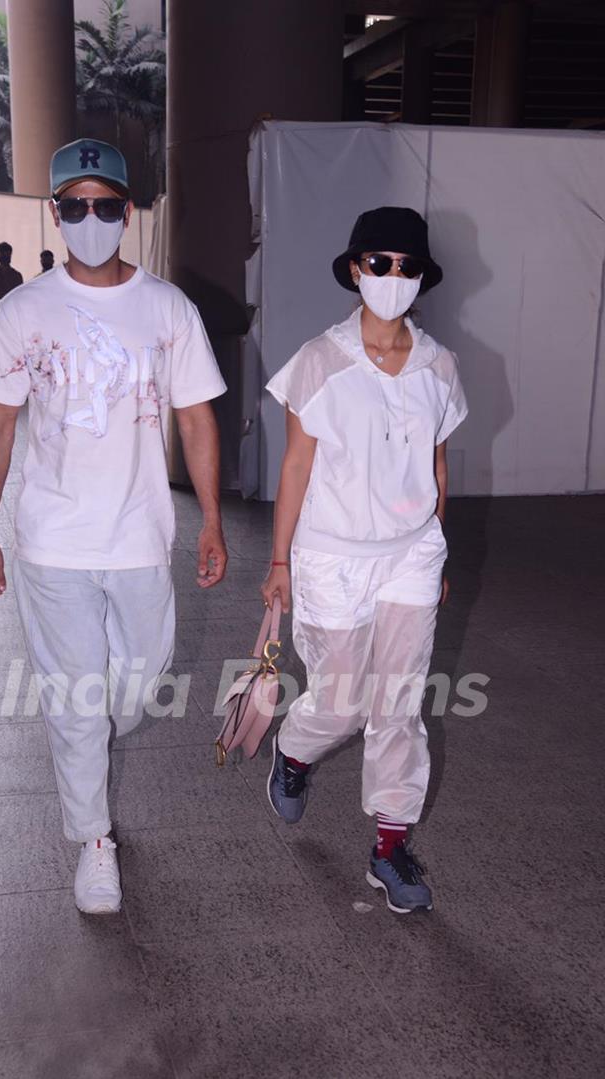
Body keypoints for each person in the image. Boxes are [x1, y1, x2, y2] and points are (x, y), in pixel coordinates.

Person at [0, 138, 228, 915]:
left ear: (128, 210)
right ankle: (94, 842)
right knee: (77, 699)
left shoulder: (168, 308)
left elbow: (198, 419)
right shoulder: (24, 309)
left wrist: (213, 518)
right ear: (55, 213)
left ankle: (88, 735)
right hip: (52, 539)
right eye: (74, 206)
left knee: (141, 679)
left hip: (141, 534)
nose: (90, 219)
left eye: (105, 206)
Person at [261, 206, 468, 915]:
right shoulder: (319, 361)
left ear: (422, 278)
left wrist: (437, 549)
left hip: (410, 554)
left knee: (399, 704)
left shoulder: (441, 366)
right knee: (343, 702)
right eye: (379, 263)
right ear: (355, 269)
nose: (393, 277)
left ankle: (389, 846)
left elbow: (438, 466)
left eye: (407, 266)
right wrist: (280, 561)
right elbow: (295, 465)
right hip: (330, 556)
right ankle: (293, 752)